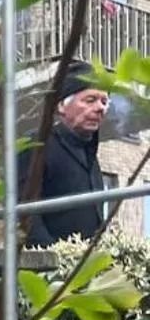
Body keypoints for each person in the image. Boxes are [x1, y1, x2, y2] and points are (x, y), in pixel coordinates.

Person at [23, 62, 111, 246]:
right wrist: (57, 260)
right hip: (51, 269)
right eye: (90, 100)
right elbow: (26, 215)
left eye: (104, 101)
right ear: (62, 106)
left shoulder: (89, 155)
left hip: (88, 266)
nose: (100, 108)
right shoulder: (37, 145)